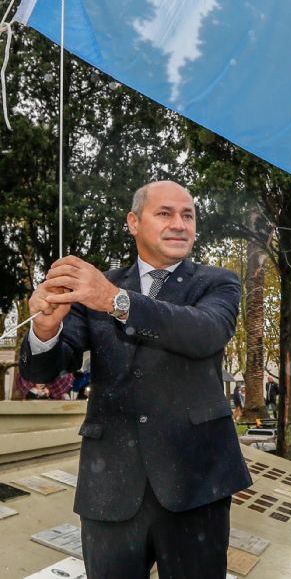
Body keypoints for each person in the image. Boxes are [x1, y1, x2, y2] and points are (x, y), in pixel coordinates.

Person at [19, 180, 251, 578]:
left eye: (188, 215)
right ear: (133, 222)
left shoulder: (217, 283)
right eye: (165, 213)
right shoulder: (95, 290)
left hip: (196, 485)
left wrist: (116, 301)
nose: (179, 224)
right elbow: (43, 370)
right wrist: (44, 330)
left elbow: (204, 332)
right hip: (110, 486)